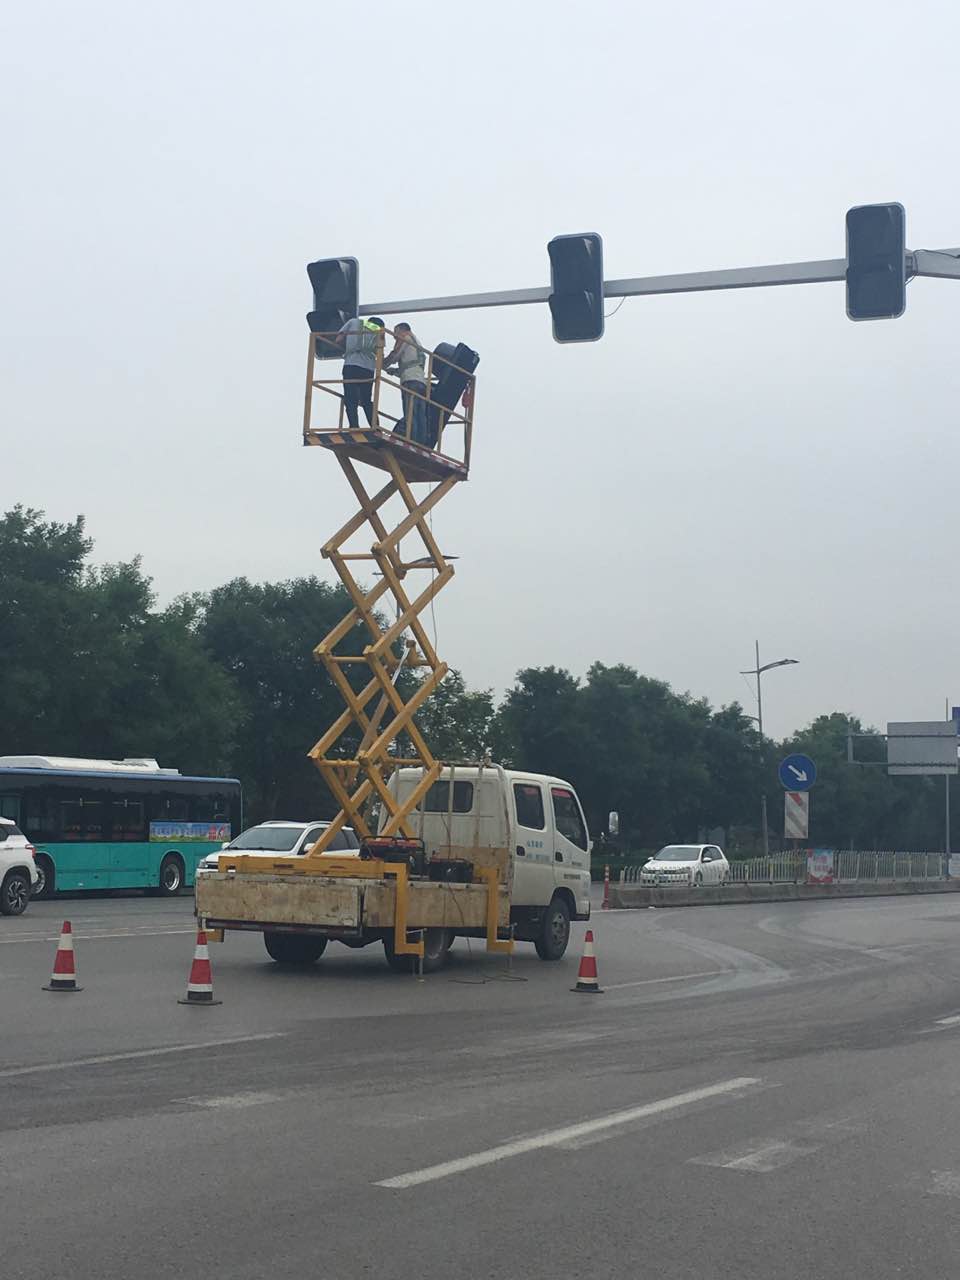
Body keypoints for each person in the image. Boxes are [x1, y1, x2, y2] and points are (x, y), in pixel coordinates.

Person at [333, 315, 385, 428]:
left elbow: (338, 340)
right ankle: (375, 427)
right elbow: (380, 354)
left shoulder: (353, 322)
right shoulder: (379, 332)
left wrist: (348, 345)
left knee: (351, 398)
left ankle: (354, 426)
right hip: (368, 369)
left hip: (351, 365)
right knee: (366, 400)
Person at [383, 321, 429, 444]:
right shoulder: (416, 342)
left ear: (401, 330)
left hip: (410, 381)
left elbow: (395, 356)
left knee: (410, 413)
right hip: (420, 381)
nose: (394, 336)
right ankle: (421, 443)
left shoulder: (405, 337)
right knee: (420, 415)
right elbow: (411, 364)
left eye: (395, 332)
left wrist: (381, 364)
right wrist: (395, 371)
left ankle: (411, 441)